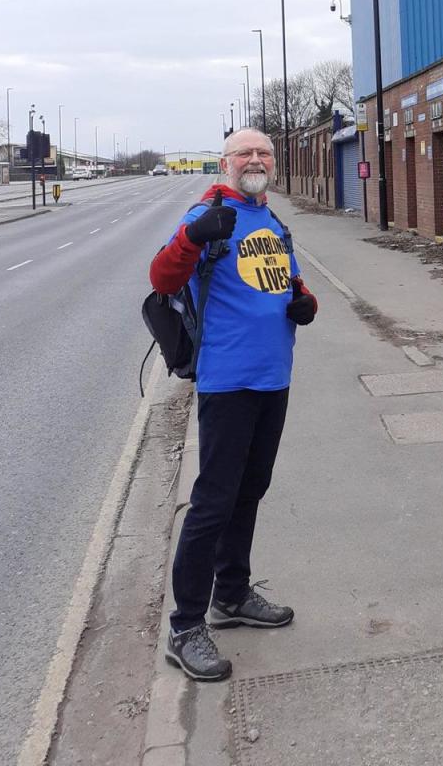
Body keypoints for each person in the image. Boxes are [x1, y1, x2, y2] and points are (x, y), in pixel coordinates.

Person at [149, 128, 318, 681]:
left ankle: (233, 594)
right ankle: (186, 627)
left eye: (263, 153)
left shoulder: (270, 219)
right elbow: (162, 276)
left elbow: (286, 281)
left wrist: (303, 301)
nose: (254, 159)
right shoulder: (208, 215)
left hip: (274, 376)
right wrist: (193, 236)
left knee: (251, 489)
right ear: (225, 162)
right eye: (244, 152)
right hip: (227, 380)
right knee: (212, 502)